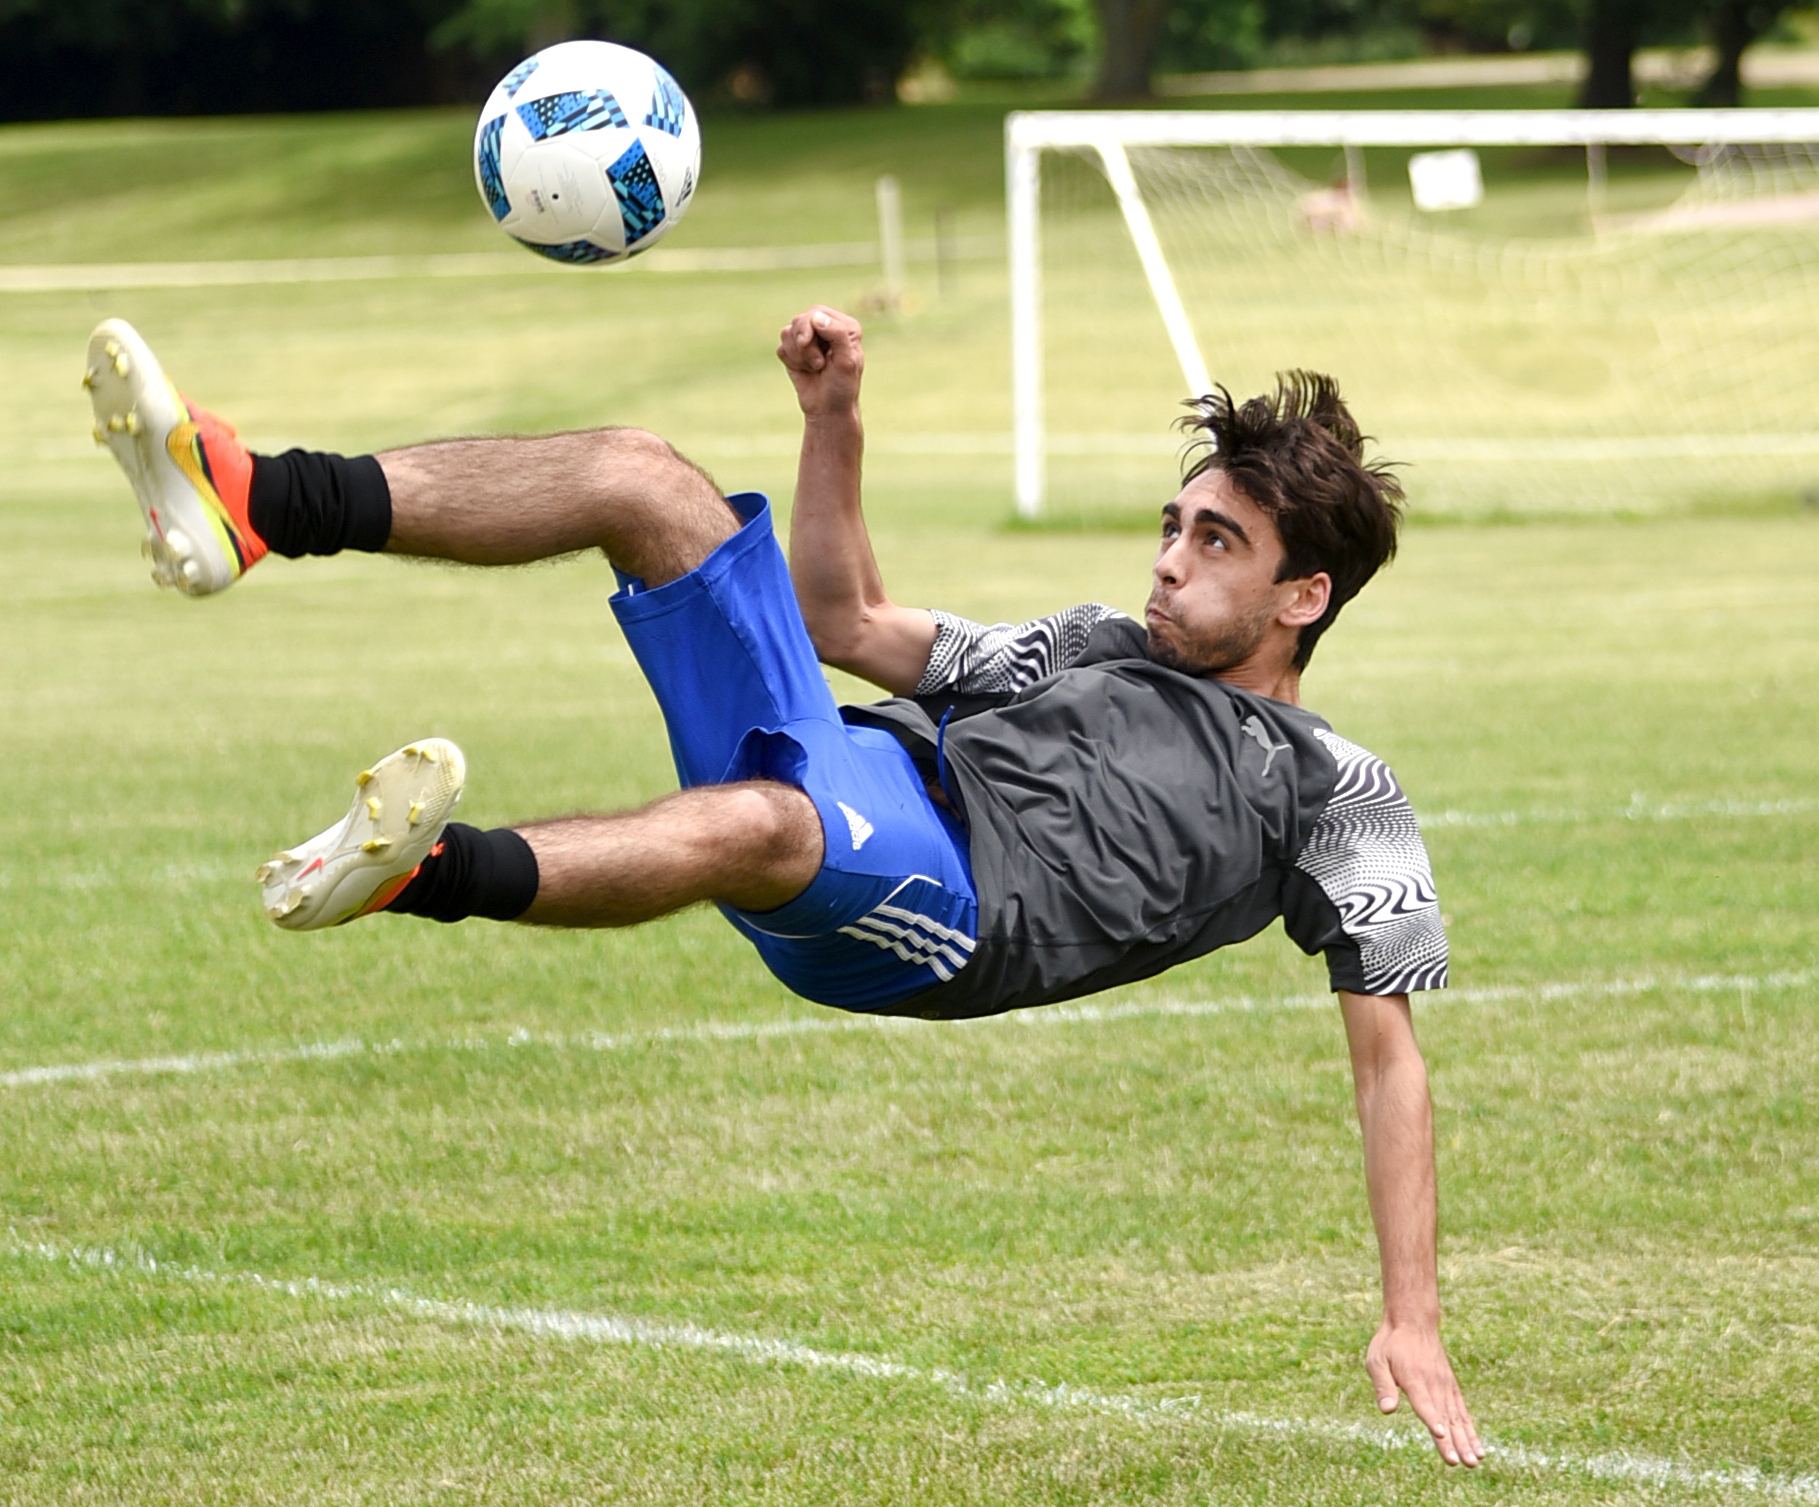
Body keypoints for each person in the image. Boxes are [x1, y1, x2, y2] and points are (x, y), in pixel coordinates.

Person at [83, 306, 1482, 1466]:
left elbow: (1389, 1065)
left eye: (1216, 545)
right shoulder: (1097, 644)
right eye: (1175, 526)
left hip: (957, 919)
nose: (1170, 561)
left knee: (767, 822)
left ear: (1306, 596)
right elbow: (849, 625)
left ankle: (428, 873)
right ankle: (257, 502)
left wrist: (1409, 1315)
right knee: (644, 480)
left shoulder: (1339, 796)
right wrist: (834, 425)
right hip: (870, 778)